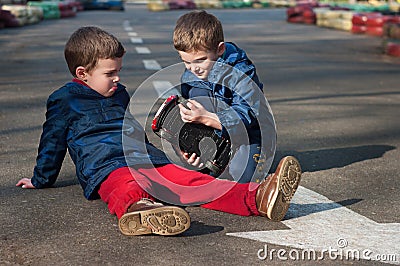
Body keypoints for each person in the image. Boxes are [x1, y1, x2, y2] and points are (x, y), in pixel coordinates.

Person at [15, 26, 302, 237]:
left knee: (193, 182)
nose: (118, 78)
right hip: (103, 165)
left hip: (145, 158)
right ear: (82, 73)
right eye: (110, 73)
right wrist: (41, 179)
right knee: (126, 185)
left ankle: (258, 197)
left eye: (119, 71)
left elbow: (134, 130)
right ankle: (140, 210)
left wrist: (166, 152)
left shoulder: (120, 94)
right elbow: (52, 142)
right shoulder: (64, 100)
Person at [173, 10, 275, 184]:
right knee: (192, 173)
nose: (193, 68)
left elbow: (247, 115)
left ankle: (263, 165)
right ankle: (220, 160)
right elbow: (191, 119)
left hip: (249, 135)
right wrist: (185, 147)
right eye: (186, 62)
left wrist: (207, 118)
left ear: (220, 49)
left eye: (200, 60)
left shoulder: (241, 71)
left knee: (243, 176)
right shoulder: (190, 75)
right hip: (215, 136)